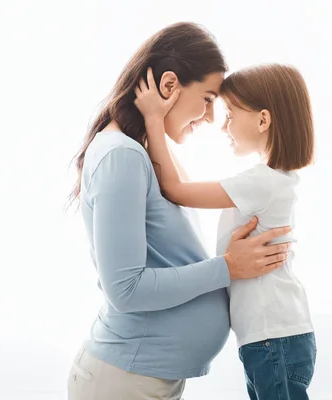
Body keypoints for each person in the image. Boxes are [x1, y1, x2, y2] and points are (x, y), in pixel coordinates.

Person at [66, 22, 291, 400]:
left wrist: (155, 120)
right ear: (170, 86)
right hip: (124, 381)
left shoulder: (142, 153)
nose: (209, 118)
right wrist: (228, 267)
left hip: (142, 377)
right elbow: (126, 289)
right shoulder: (121, 156)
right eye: (207, 99)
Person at [134, 63, 317, 399]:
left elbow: (174, 188)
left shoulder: (261, 182)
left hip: (272, 340)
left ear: (263, 120)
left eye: (230, 115)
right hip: (274, 337)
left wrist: (153, 121)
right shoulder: (270, 181)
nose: (223, 127)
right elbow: (183, 183)